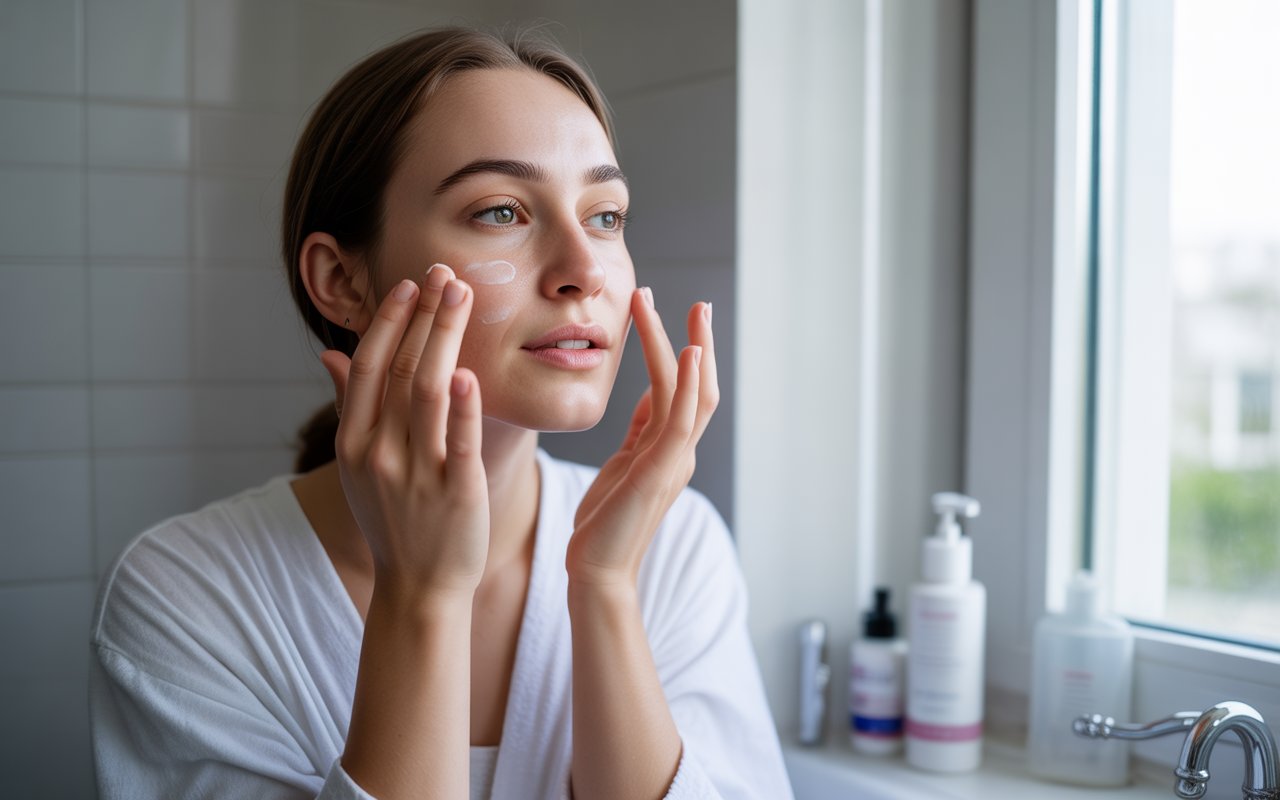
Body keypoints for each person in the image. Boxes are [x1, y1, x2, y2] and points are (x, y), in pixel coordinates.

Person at [89, 26, 792, 800]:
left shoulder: (677, 552)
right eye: (500, 212)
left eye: (605, 216)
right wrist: (421, 599)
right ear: (342, 281)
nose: (585, 270)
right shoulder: (186, 596)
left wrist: (605, 586)